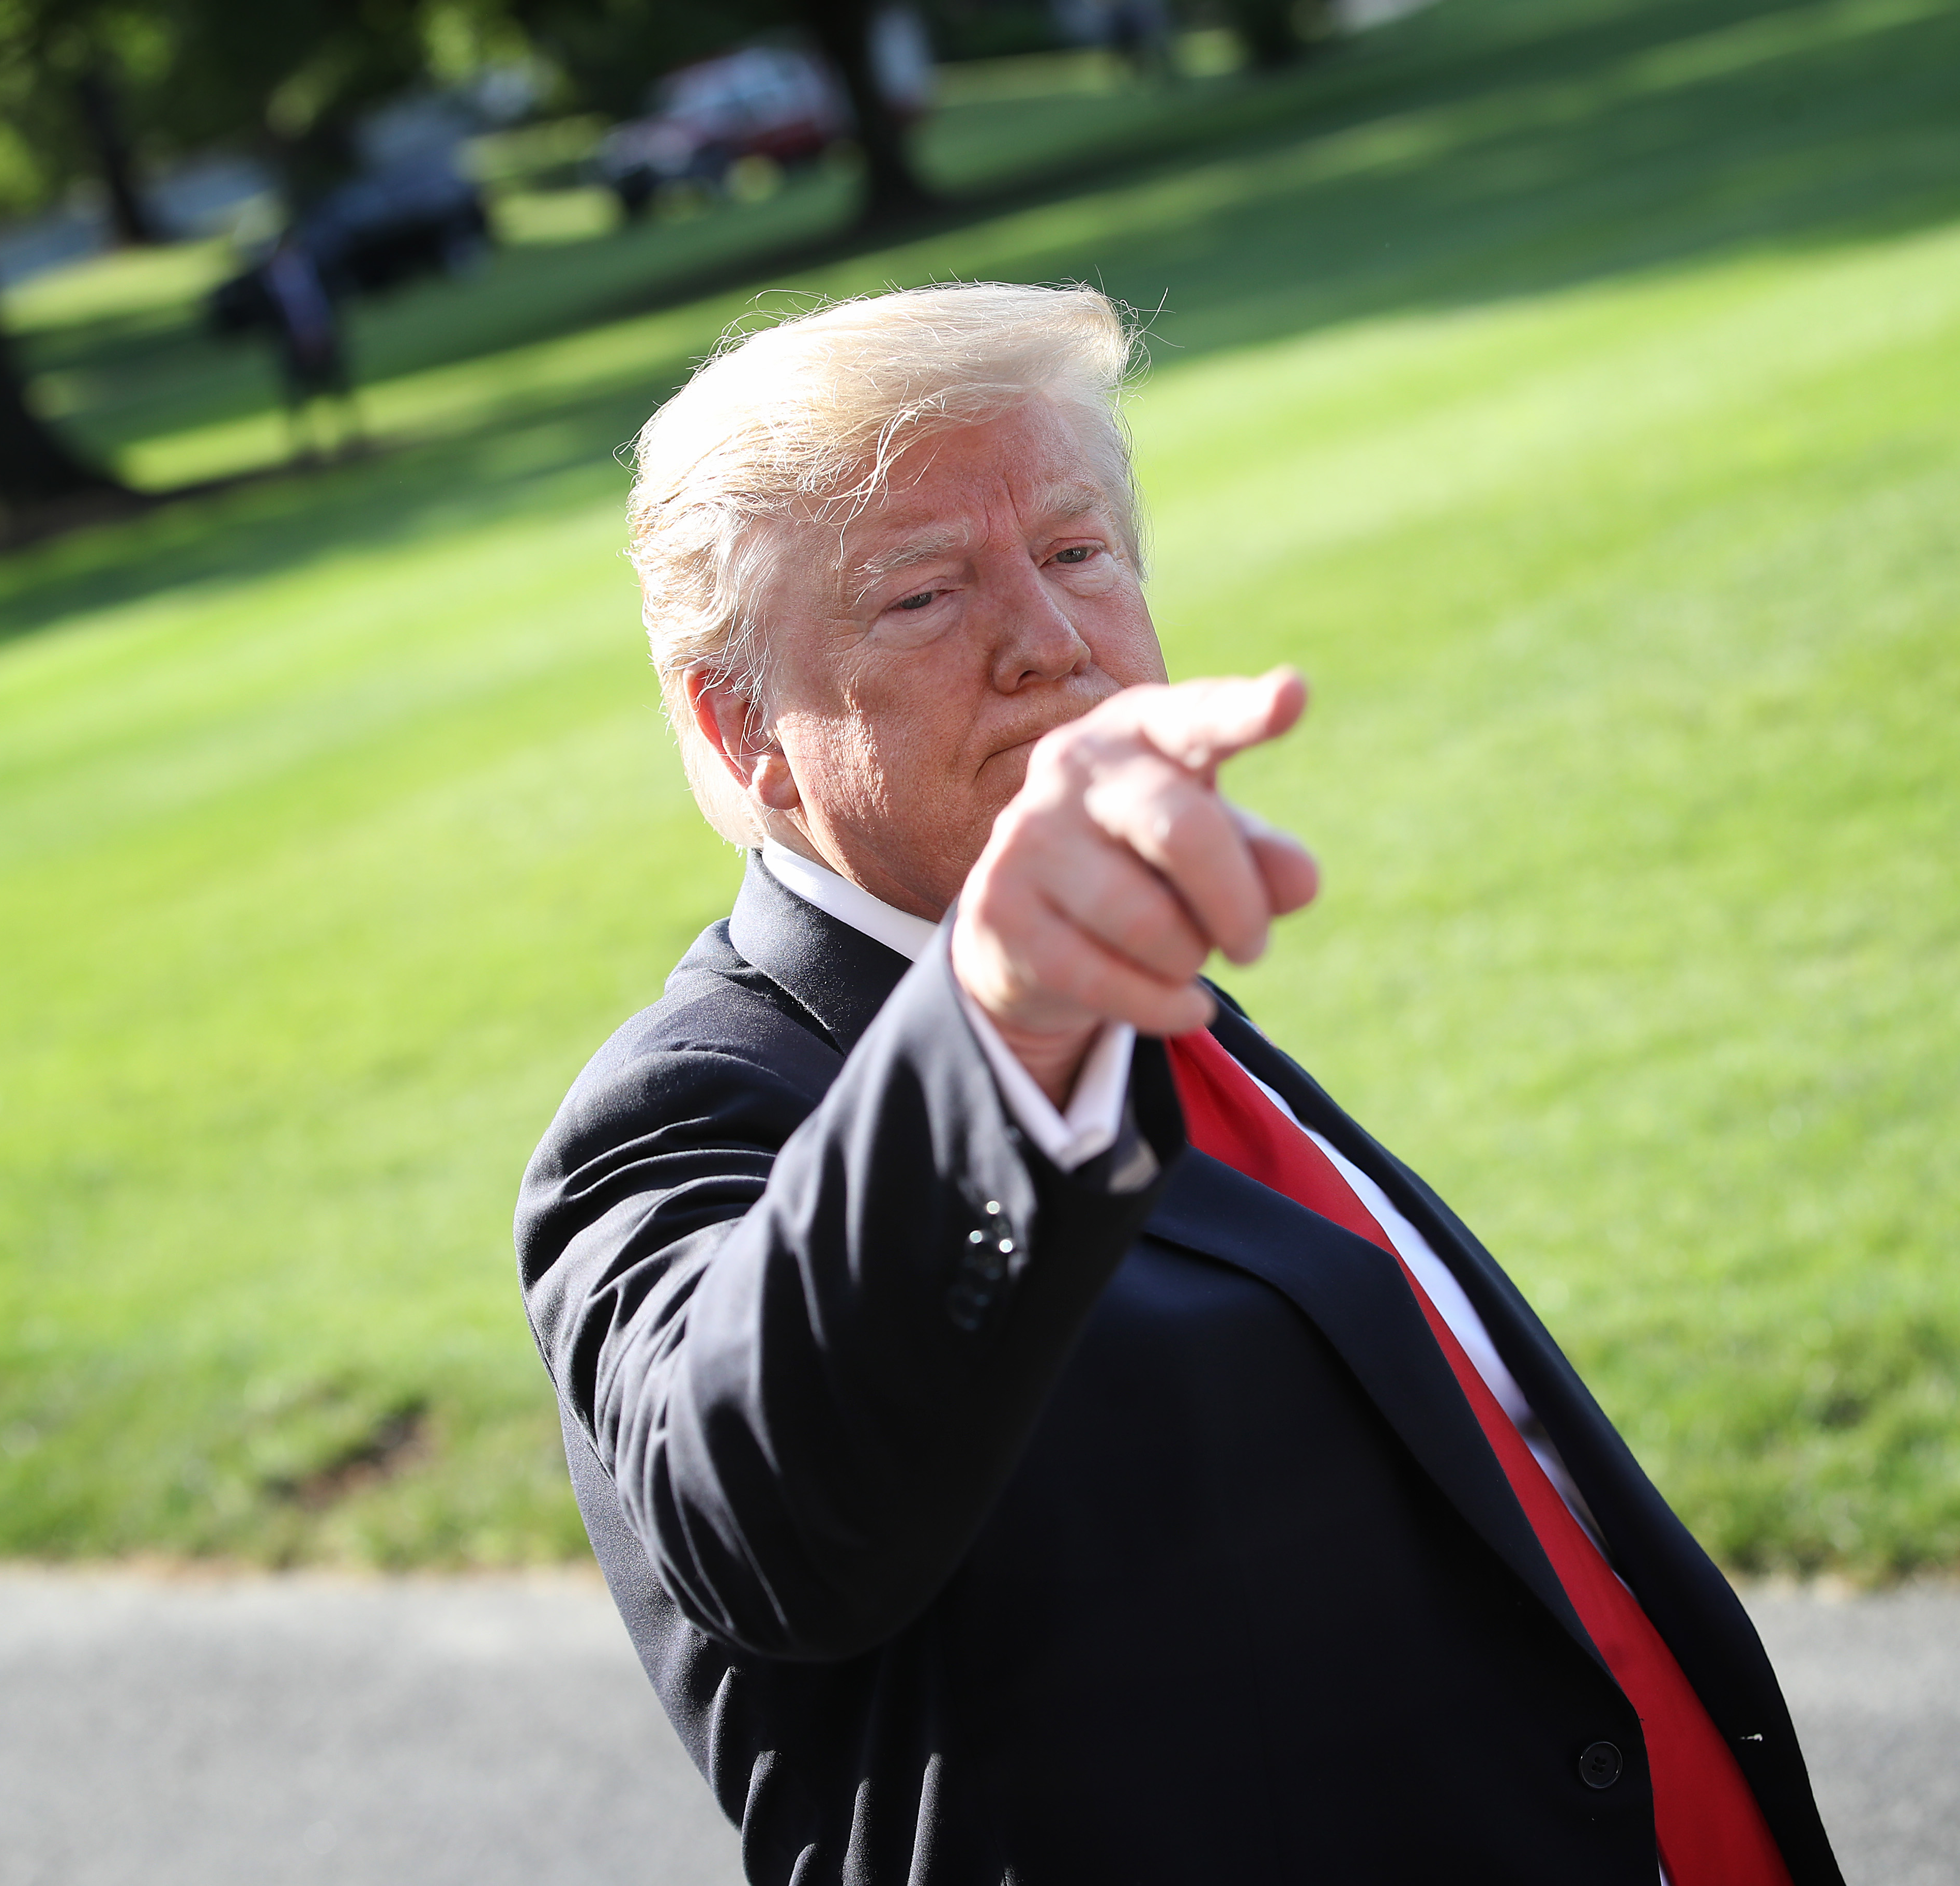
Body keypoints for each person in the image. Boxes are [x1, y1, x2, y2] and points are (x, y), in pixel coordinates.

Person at [515, 282, 1844, 1886]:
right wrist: (998, 1016)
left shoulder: (1156, 1003)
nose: (1049, 639)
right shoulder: (690, 1106)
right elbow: (767, 1520)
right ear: (741, 731)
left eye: (1078, 553)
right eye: (926, 595)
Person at [261, 230, 361, 461]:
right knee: (299, 396)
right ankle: (305, 446)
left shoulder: (316, 269)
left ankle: (352, 436)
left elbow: (331, 299)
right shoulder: (269, 279)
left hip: (323, 335)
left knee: (339, 386)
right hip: (293, 344)